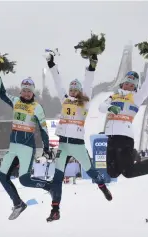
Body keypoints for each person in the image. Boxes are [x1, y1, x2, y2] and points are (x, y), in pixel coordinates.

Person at [45, 53, 112, 222]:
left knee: (90, 170)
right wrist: (52, 65)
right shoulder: (64, 99)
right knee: (57, 178)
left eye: (76, 89)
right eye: (71, 89)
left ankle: (102, 186)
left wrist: (92, 67)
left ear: (80, 91)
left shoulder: (85, 102)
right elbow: (58, 82)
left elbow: (88, 83)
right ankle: (55, 210)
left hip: (77, 144)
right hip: (63, 145)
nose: (73, 92)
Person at [98, 52, 148, 179]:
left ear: (135, 88)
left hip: (124, 138)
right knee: (112, 172)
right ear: (122, 83)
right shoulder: (113, 96)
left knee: (128, 173)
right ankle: (133, 154)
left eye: (132, 85)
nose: (129, 86)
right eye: (127, 83)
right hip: (112, 138)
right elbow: (101, 107)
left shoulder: (135, 98)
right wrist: (110, 107)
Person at [0, 73, 53, 220]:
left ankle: (50, 186)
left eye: (29, 91)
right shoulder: (15, 101)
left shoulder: (36, 107)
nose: (27, 93)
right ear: (20, 92)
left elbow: (44, 129)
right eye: (24, 90)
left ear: (33, 93)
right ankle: (18, 203)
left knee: (25, 180)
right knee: (2, 176)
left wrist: (46, 147)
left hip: (27, 147)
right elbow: (1, 93)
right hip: (13, 146)